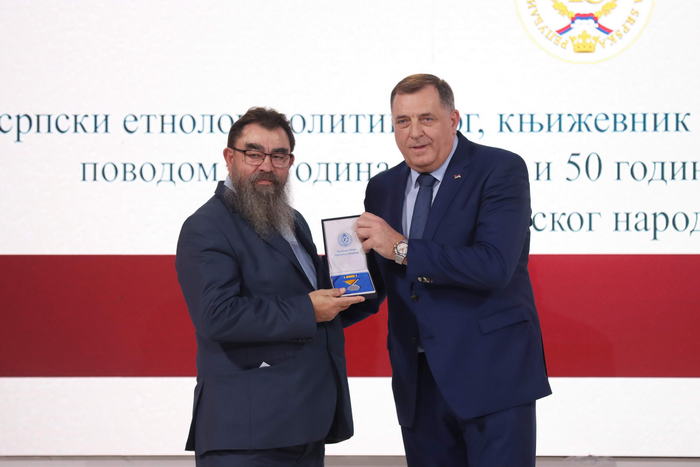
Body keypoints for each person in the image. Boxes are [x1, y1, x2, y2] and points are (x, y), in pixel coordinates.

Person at [350, 74, 552, 467]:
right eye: (403, 121)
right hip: (418, 382)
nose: (414, 133)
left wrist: (403, 249)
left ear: (453, 119)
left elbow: (494, 265)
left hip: (492, 376)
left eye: (426, 119)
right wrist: (308, 308)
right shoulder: (382, 187)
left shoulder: (499, 169)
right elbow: (377, 278)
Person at [176, 107, 364, 467]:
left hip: (303, 424)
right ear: (229, 157)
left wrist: (372, 275)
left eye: (278, 155)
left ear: (290, 162)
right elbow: (217, 316)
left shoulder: (293, 221)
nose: (267, 165)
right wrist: (308, 309)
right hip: (246, 436)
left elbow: (319, 306)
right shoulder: (206, 226)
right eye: (254, 154)